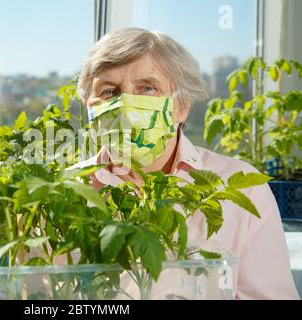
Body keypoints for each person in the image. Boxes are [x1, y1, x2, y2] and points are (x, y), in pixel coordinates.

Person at [72, 27, 299, 300]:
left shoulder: (241, 188)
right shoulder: (64, 191)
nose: (127, 104)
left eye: (147, 88)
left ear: (181, 106)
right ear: (89, 107)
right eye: (109, 92)